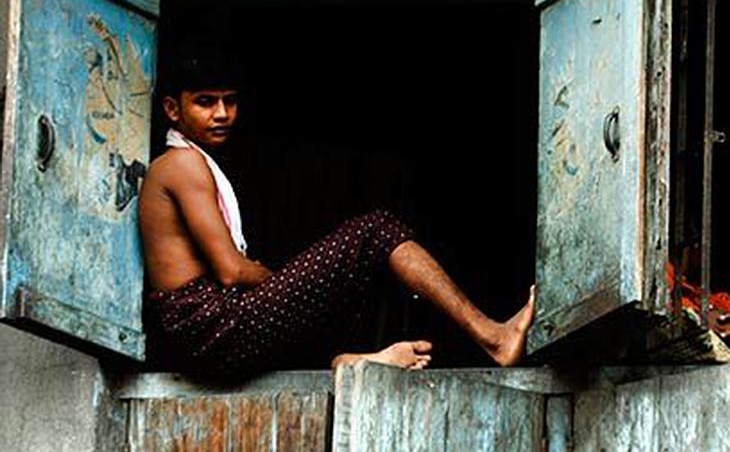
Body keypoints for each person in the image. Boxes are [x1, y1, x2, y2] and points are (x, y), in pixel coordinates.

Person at [139, 50, 534, 379]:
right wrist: (281, 283)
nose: (222, 113)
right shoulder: (180, 165)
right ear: (173, 109)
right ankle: (492, 337)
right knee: (375, 232)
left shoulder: (194, 164)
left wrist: (295, 288)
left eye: (230, 100)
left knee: (344, 277)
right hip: (211, 331)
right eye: (206, 102)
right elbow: (231, 271)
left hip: (208, 337)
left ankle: (344, 358)